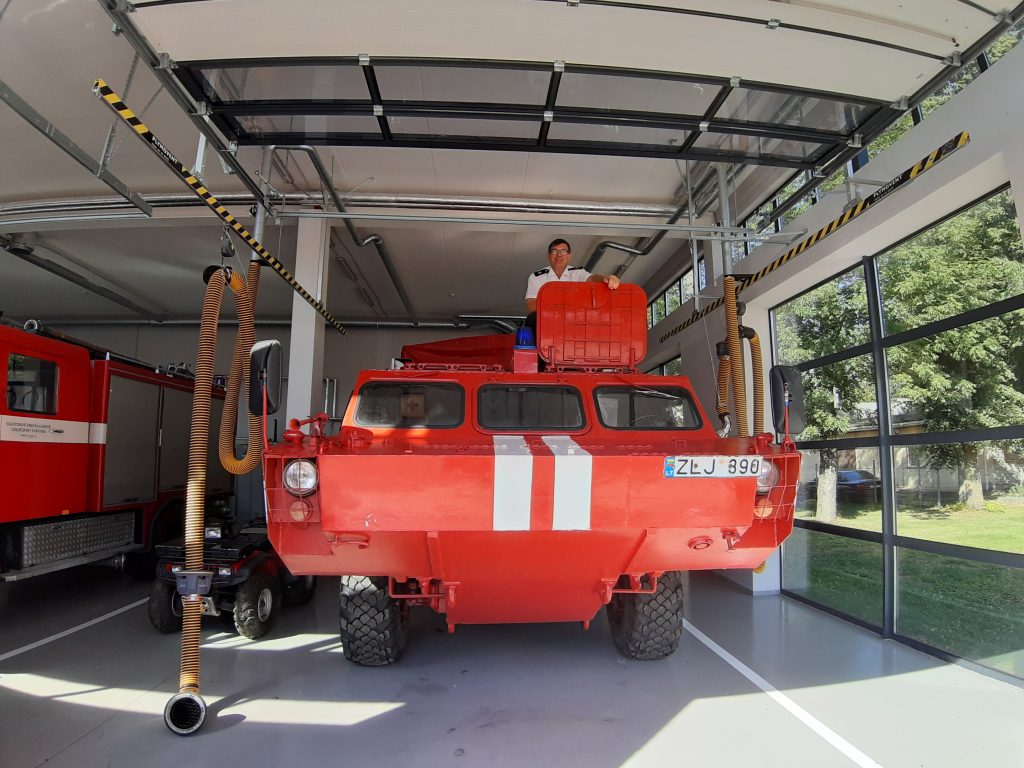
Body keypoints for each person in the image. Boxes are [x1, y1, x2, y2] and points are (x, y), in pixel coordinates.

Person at [524, 239, 620, 313]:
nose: (559, 255)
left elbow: (592, 278)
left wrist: (605, 278)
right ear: (548, 256)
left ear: (569, 256)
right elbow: (531, 305)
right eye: (554, 251)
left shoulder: (577, 273)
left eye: (563, 251)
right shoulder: (536, 277)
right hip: (547, 320)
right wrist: (557, 309)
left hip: (574, 319)